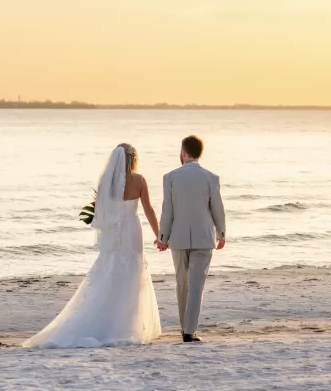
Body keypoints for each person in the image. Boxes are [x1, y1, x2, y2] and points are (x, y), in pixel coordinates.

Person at [22, 144, 162, 348]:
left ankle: (108, 318)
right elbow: (148, 208)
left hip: (114, 233)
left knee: (110, 271)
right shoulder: (139, 180)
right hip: (132, 229)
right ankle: (128, 323)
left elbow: (101, 212)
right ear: (133, 159)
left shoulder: (106, 181)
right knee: (132, 270)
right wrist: (159, 235)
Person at [156, 135, 226, 343]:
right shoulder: (211, 177)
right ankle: (189, 331)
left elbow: (167, 211)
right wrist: (221, 233)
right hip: (204, 237)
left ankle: (184, 328)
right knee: (196, 285)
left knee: (182, 284)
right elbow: (217, 210)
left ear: (184, 152)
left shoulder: (169, 177)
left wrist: (162, 237)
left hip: (178, 238)